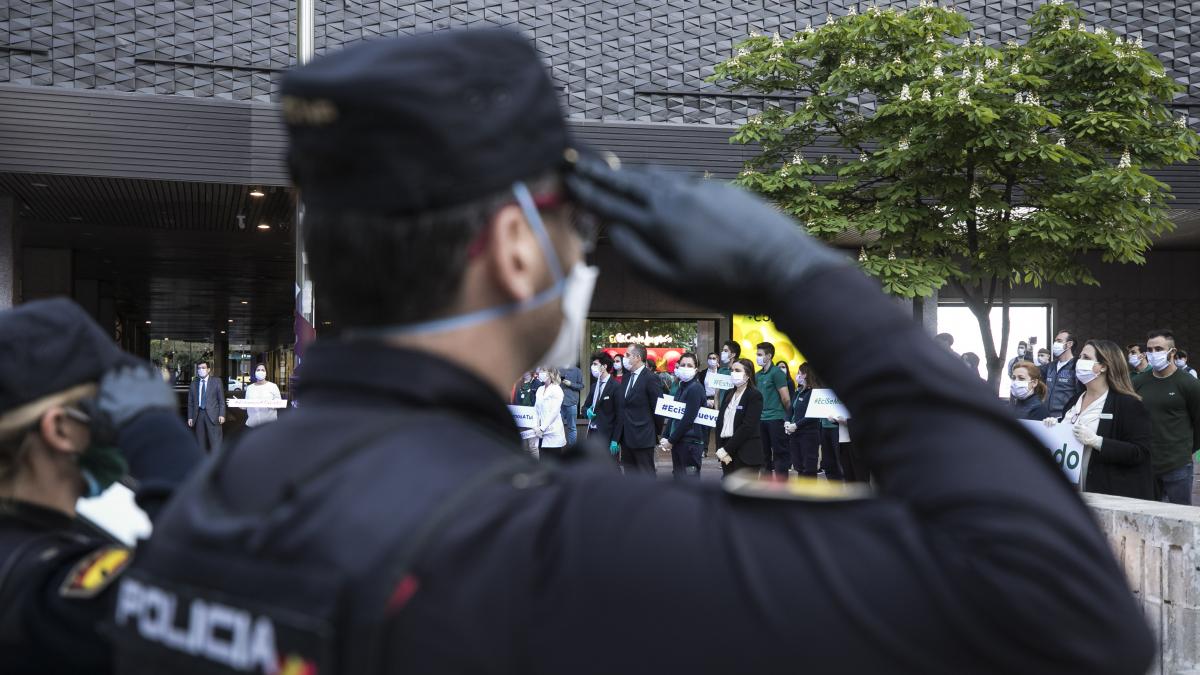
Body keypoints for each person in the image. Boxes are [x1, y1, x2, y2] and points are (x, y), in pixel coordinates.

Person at [112, 29, 1154, 675]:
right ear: (519, 246)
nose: (585, 250)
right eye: (577, 221)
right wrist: (810, 282)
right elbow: (1071, 617)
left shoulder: (210, 501)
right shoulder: (567, 540)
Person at [0, 299, 202, 673]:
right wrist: (155, 434)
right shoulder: (48, 589)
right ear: (60, 429)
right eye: (106, 407)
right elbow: (216, 588)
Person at [1044, 340, 1154, 500]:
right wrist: (1055, 427)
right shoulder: (1074, 400)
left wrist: (1097, 441)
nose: (1079, 361)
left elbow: (1140, 453)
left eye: (1086, 358)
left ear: (1103, 366)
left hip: (1106, 494)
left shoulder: (1128, 404)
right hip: (1069, 494)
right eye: (1080, 356)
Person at [1133, 329, 1200, 505]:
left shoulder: (1189, 383)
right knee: (1147, 517)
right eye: (1150, 349)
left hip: (1177, 465)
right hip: (1146, 464)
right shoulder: (1138, 382)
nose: (1153, 354)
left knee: (1180, 519)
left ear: (1172, 352)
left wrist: (1184, 450)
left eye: (1159, 349)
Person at [615, 343, 663, 473]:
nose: (625, 358)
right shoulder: (626, 377)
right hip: (626, 438)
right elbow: (622, 407)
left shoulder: (651, 378)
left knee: (646, 476)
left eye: (627, 355)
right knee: (631, 477)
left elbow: (658, 409)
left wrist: (654, 432)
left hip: (643, 438)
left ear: (637, 357)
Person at [659, 353, 705, 479]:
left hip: (691, 444)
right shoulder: (681, 387)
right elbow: (673, 414)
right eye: (683, 364)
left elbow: (688, 419)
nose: (686, 367)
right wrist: (666, 436)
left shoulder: (695, 388)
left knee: (690, 483)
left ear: (696, 369)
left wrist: (671, 440)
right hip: (680, 442)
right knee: (679, 481)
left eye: (689, 365)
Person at [714, 358, 763, 476]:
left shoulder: (754, 395)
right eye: (732, 370)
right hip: (726, 451)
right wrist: (720, 448)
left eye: (737, 370)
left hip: (745, 453)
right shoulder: (728, 393)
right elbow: (720, 422)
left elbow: (748, 427)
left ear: (747, 375)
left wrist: (727, 449)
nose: (733, 373)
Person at [755, 342, 791, 475]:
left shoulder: (777, 373)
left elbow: (786, 398)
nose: (757, 357)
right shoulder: (757, 375)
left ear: (769, 356)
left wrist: (787, 417)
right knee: (763, 456)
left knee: (780, 455)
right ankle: (766, 489)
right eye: (757, 354)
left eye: (760, 354)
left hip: (776, 419)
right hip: (761, 419)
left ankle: (782, 489)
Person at [784, 362, 820, 478]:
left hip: (808, 434)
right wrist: (787, 421)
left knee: (808, 468)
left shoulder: (814, 392)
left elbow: (813, 414)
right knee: (798, 467)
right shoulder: (798, 390)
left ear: (805, 375)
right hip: (795, 434)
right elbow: (791, 409)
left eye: (799, 373)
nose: (797, 375)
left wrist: (796, 425)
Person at [584, 352, 620, 460]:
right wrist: (587, 412)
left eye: (595, 364)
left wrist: (615, 439)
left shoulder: (615, 386)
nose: (592, 367)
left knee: (609, 469)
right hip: (592, 433)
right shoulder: (594, 386)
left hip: (607, 435)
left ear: (604, 366)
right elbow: (585, 407)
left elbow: (620, 415)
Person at [186, 360, 225, 453]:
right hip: (198, 414)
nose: (201, 370)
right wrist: (190, 417)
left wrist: (222, 414)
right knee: (200, 442)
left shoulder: (217, 381)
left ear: (208, 370)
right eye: (199, 368)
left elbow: (221, 400)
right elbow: (190, 401)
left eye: (203, 368)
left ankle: (217, 463)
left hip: (214, 415)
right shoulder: (194, 383)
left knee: (216, 442)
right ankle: (203, 464)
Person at [1044, 329, 1082, 419]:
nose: (1055, 344)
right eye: (1055, 341)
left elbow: (1081, 395)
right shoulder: (1050, 366)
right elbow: (1031, 372)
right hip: (1046, 418)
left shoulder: (1076, 366)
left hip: (1064, 418)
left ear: (1069, 344)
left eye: (1059, 341)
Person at [533, 368, 566, 459]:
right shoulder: (540, 389)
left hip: (553, 432)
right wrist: (536, 426)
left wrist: (542, 428)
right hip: (540, 433)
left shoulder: (556, 389)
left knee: (553, 464)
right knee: (543, 463)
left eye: (542, 371)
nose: (539, 373)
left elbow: (554, 412)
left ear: (550, 374)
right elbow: (536, 409)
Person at [244, 363, 283, 428]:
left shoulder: (273, 386)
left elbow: (279, 404)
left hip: (269, 426)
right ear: (255, 373)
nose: (260, 372)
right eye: (258, 370)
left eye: (263, 370)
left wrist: (269, 404)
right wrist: (237, 403)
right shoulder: (249, 388)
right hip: (252, 425)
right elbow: (245, 405)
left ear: (266, 373)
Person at [558, 363, 584, 446]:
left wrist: (570, 384)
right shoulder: (558, 369)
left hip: (571, 402)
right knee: (557, 426)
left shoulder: (577, 370)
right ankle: (558, 448)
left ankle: (571, 451)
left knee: (572, 427)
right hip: (559, 402)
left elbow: (581, 386)